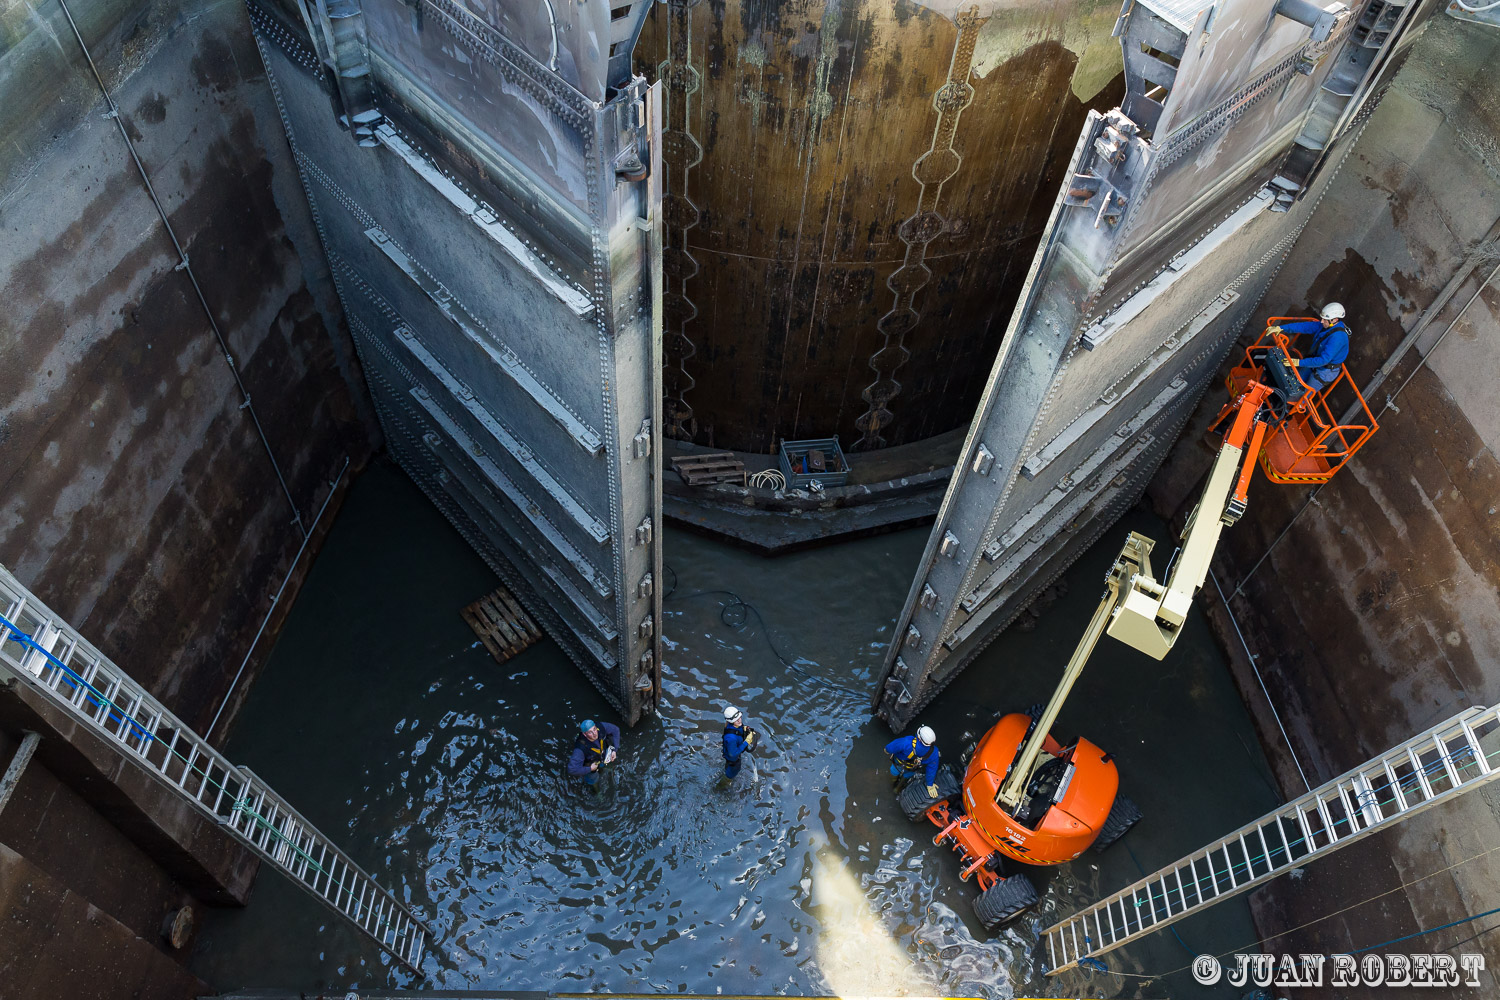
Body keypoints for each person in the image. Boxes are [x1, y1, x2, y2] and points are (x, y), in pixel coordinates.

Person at [1272, 302, 1350, 393]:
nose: (1321, 321)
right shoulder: (1326, 325)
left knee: (1303, 396)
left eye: (1325, 319)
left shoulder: (1338, 338)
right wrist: (1281, 328)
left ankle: (1289, 405)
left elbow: (1323, 360)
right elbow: (1305, 326)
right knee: (1294, 383)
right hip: (1314, 360)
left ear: (1335, 320)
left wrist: (1298, 362)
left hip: (1325, 371)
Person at [885, 725, 940, 798]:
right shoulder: (934, 753)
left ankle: (892, 783)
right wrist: (930, 784)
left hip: (898, 763)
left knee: (894, 772)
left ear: (919, 738)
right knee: (907, 776)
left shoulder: (907, 742)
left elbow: (888, 748)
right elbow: (932, 769)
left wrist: (887, 751)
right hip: (913, 768)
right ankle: (897, 789)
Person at [566, 718, 620, 788]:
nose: (594, 733)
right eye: (590, 732)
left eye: (594, 729)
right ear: (585, 734)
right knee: (593, 780)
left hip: (601, 757)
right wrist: (590, 769)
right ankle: (597, 793)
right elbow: (571, 769)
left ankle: (602, 768)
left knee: (603, 765)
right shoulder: (580, 749)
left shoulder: (600, 727)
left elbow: (615, 730)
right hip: (590, 766)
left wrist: (614, 750)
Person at [719, 704, 760, 787]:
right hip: (733, 763)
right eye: (736, 720)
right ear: (730, 721)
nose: (739, 721)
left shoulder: (733, 725)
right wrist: (746, 742)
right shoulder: (731, 738)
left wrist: (745, 729)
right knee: (728, 778)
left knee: (728, 772)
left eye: (740, 718)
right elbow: (733, 754)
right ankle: (720, 788)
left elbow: (738, 727)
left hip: (730, 760)